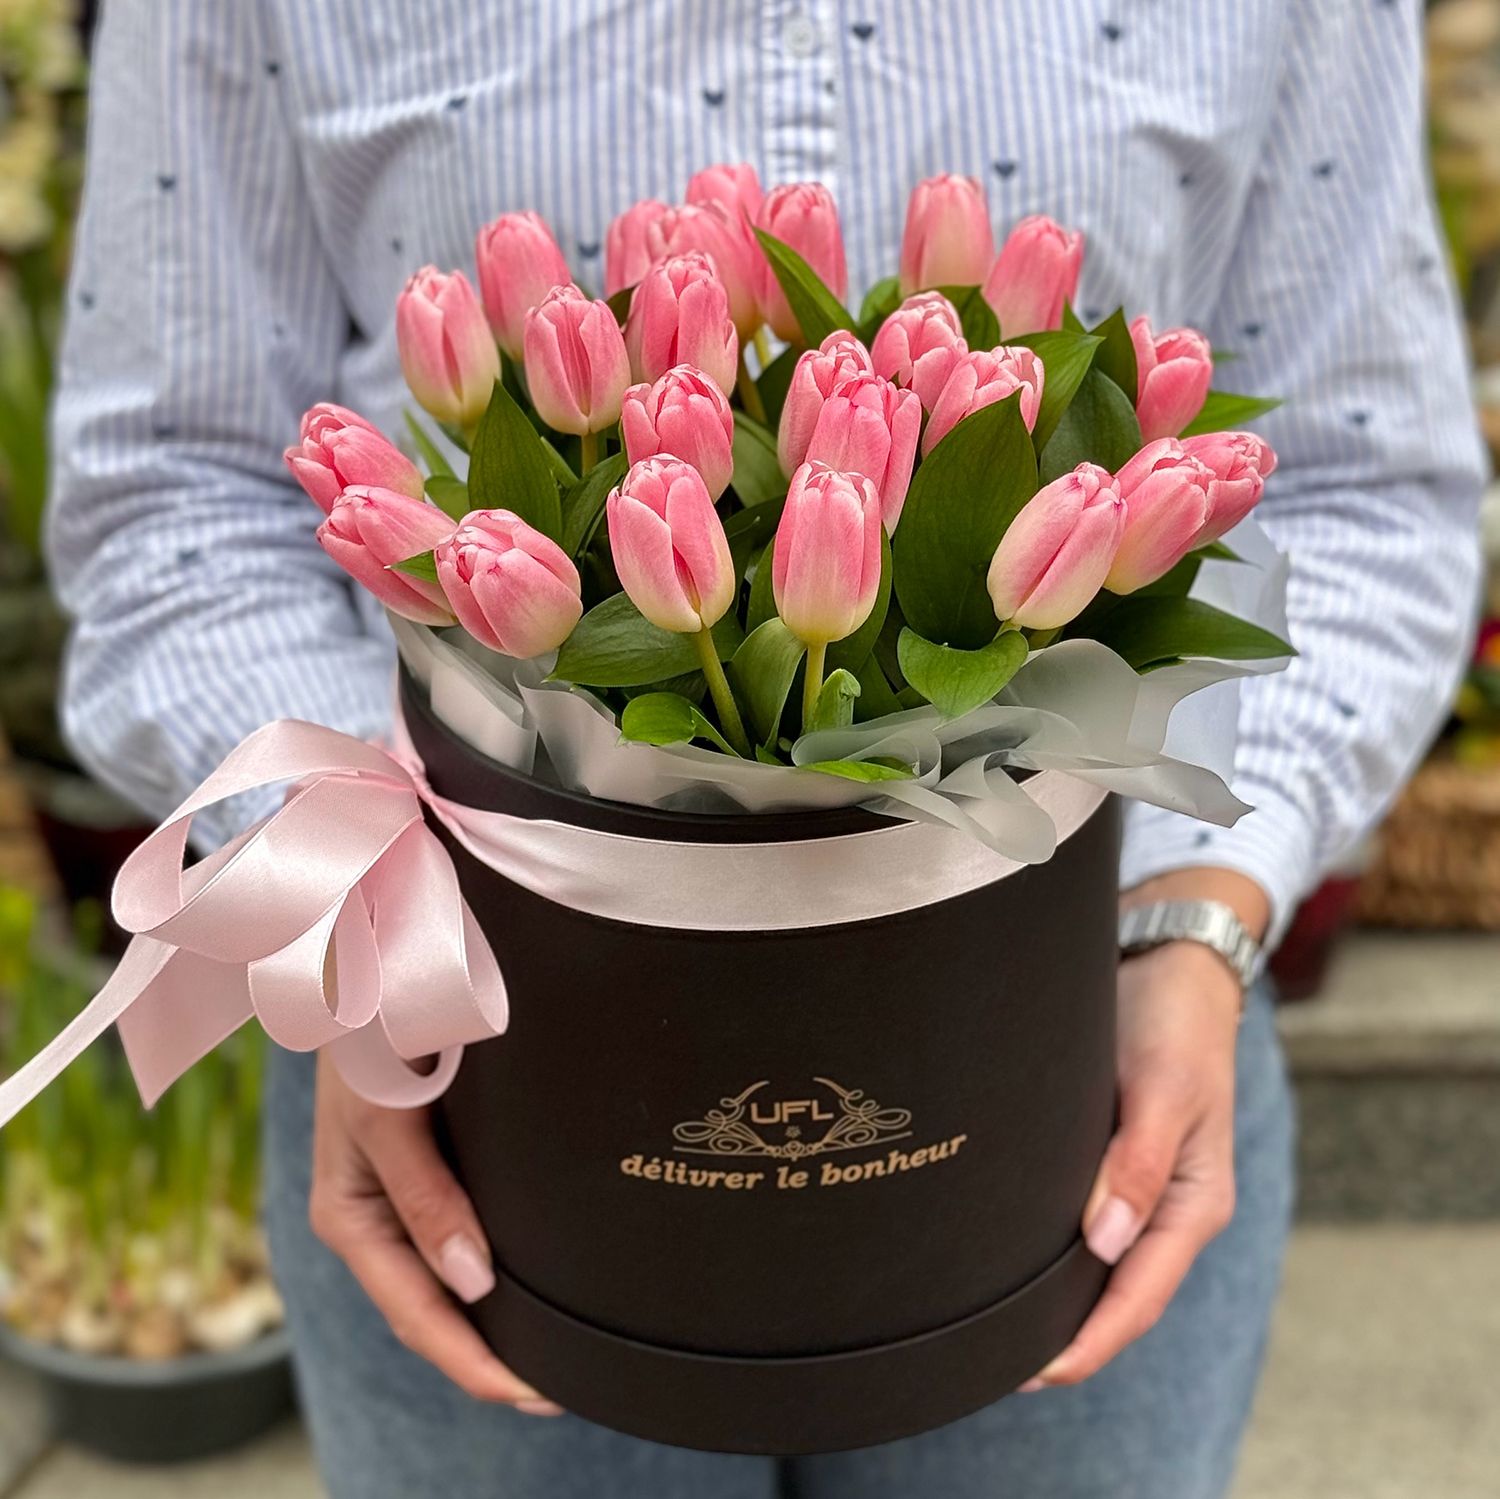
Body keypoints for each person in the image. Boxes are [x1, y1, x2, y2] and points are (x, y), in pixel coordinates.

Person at [46, 3, 1484, 1496]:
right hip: (462, 1050)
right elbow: (171, 487)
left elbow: (1366, 489)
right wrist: (352, 916)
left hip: (1084, 1048)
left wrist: (1198, 913)